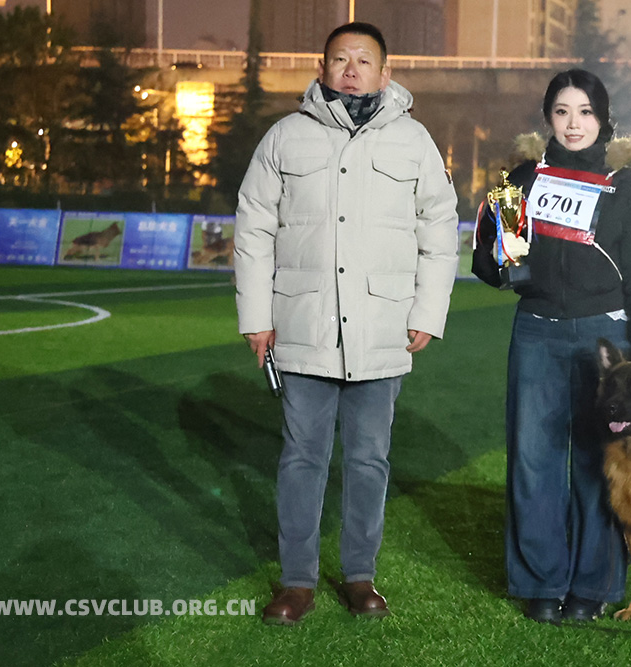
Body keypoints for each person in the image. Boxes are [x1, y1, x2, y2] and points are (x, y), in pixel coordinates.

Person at [234, 22, 459, 626]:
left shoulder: (413, 140)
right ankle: (297, 583)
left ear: (386, 72)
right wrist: (256, 318)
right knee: (301, 458)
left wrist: (427, 312)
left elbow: (440, 232)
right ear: (322, 67)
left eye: (364, 60)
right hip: (301, 323)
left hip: (382, 326)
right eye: (340, 59)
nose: (351, 69)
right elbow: (253, 228)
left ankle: (361, 577)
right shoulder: (286, 137)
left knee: (368, 460)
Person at [472, 69, 631, 624]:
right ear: (548, 118)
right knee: (532, 460)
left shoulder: (627, 188)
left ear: (604, 118)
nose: (573, 123)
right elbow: (494, 263)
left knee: (598, 462)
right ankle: (540, 581)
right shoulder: (520, 179)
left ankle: (592, 584)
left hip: (603, 339)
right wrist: (497, 250)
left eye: (585, 111)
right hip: (536, 332)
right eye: (562, 111)